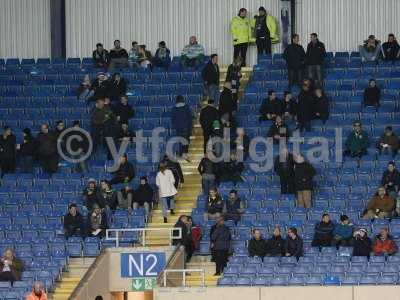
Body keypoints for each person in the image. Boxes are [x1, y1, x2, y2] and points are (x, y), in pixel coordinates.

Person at [171, 95, 193, 160]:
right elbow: (189, 118)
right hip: (186, 127)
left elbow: (173, 119)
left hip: (178, 128)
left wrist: (175, 126)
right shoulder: (186, 107)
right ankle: (184, 154)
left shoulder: (174, 108)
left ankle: (181, 154)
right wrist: (191, 127)